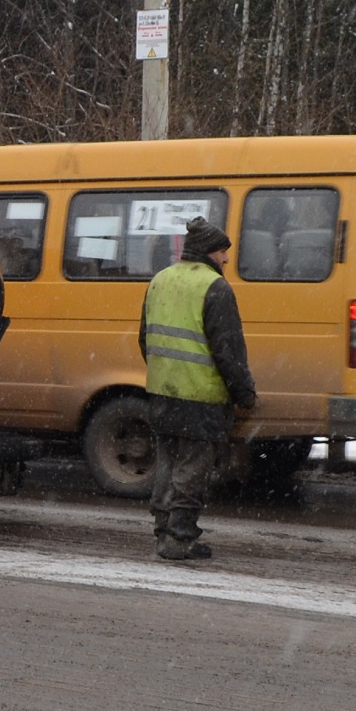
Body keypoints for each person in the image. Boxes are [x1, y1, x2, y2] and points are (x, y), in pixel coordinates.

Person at [137, 218, 258, 561]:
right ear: (209, 252)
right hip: (200, 397)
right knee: (192, 469)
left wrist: (166, 373)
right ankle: (179, 538)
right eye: (223, 252)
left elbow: (145, 339)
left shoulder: (159, 280)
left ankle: (163, 531)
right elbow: (229, 351)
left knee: (167, 464)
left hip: (162, 392)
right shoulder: (215, 288)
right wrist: (244, 392)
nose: (226, 260)